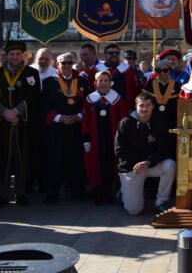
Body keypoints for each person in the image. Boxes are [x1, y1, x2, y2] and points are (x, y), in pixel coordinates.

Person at [0, 41, 41, 208]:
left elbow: (33, 96)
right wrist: (4, 112)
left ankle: (21, 193)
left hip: (23, 123)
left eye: (18, 54)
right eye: (11, 54)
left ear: (23, 55)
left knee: (22, 158)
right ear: (6, 56)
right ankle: (2, 194)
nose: (15, 57)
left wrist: (17, 112)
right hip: (2, 125)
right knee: (2, 159)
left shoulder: (32, 73)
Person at [115, 93, 176, 215]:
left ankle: (161, 202)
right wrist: (140, 162)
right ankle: (123, 191)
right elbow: (119, 150)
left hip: (150, 164)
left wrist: (148, 162)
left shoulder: (159, 121)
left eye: (148, 105)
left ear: (153, 106)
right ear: (135, 106)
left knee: (170, 165)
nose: (144, 108)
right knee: (134, 211)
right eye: (141, 105)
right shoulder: (125, 122)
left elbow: (165, 148)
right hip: (132, 167)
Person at [40, 52, 87, 204]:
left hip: (76, 126)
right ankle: (53, 192)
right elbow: (43, 104)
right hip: (56, 128)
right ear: (57, 65)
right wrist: (59, 118)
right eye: (63, 63)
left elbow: (88, 103)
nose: (66, 66)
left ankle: (76, 190)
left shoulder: (82, 81)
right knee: (55, 159)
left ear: (73, 63)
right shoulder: (49, 82)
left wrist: (79, 116)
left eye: (69, 62)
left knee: (76, 158)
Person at [82, 70, 127, 205]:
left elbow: (123, 119)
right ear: (95, 83)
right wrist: (85, 138)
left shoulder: (117, 99)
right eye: (100, 80)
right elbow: (85, 120)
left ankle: (110, 191)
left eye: (106, 80)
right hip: (95, 139)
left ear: (110, 83)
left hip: (112, 138)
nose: (103, 83)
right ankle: (99, 191)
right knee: (97, 164)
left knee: (110, 163)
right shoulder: (90, 100)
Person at [142, 60, 180, 138]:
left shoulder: (177, 85)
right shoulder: (150, 84)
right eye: (159, 70)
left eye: (165, 70)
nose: (162, 73)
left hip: (171, 121)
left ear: (170, 71)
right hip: (153, 121)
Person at [97, 44, 139, 113]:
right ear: (104, 55)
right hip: (100, 108)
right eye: (110, 53)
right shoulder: (97, 70)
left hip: (123, 108)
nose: (114, 55)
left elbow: (133, 91)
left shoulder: (128, 70)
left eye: (117, 53)